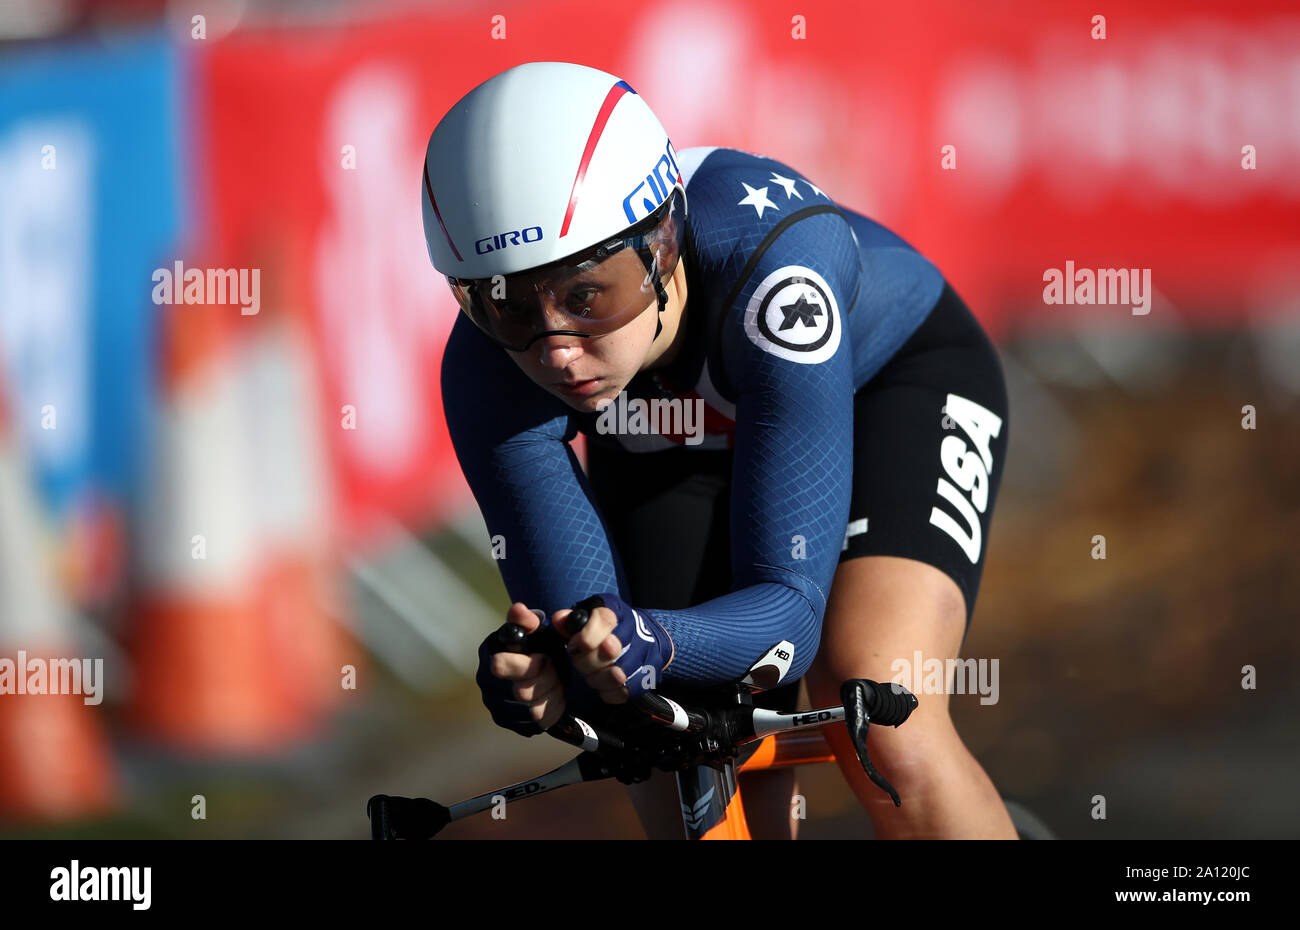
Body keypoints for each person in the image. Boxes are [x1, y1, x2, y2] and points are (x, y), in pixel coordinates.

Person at [429, 61, 1016, 839]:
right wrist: (550, 676)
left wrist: (659, 640)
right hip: (673, 433)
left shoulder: (778, 277)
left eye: (585, 294)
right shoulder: (483, 366)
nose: (557, 351)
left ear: (661, 243)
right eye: (504, 306)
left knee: (876, 702)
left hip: (888, 384)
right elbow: (588, 633)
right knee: (669, 749)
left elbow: (790, 618)